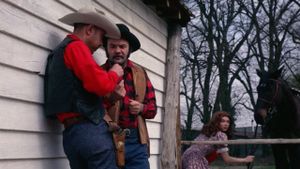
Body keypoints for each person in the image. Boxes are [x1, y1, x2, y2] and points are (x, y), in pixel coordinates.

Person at [44, 7, 124, 169]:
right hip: (90, 131)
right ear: (89, 30)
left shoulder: (59, 52)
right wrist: (114, 73)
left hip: (71, 135)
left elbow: (79, 93)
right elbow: (100, 85)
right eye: (102, 37)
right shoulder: (76, 47)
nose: (102, 43)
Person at [102, 23, 157, 169]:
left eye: (122, 46)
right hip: (107, 139)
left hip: (136, 141)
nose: (118, 51)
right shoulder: (99, 73)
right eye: (113, 46)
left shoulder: (141, 73)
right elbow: (92, 107)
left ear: (129, 49)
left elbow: (152, 110)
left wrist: (141, 108)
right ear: (106, 49)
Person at [182, 111, 255, 169]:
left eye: (228, 122)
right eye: (222, 121)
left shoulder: (207, 132)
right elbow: (227, 159)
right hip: (195, 159)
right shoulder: (221, 135)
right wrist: (245, 160)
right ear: (216, 122)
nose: (226, 124)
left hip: (185, 157)